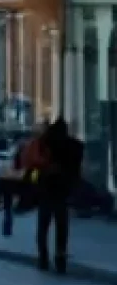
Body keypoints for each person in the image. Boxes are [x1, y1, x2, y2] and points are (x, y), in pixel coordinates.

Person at [36, 116, 83, 273]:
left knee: (43, 226)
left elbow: (35, 165)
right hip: (62, 192)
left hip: (46, 190)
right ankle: (60, 257)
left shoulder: (45, 143)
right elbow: (76, 170)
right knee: (62, 227)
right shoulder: (74, 146)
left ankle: (43, 257)